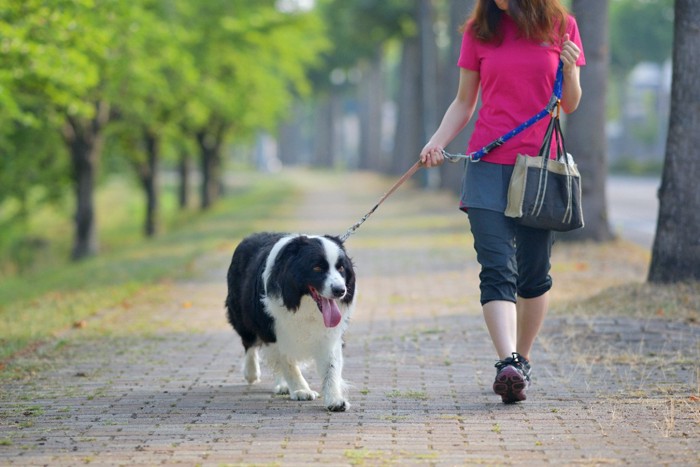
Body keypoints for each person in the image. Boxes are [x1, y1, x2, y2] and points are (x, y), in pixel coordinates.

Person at [419, 0, 585, 404]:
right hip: (487, 165)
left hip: (538, 169)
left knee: (534, 273)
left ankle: (522, 361)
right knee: (496, 267)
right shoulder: (480, 31)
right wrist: (437, 141)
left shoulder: (561, 25)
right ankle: (507, 362)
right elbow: (464, 102)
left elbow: (570, 104)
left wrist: (570, 70)